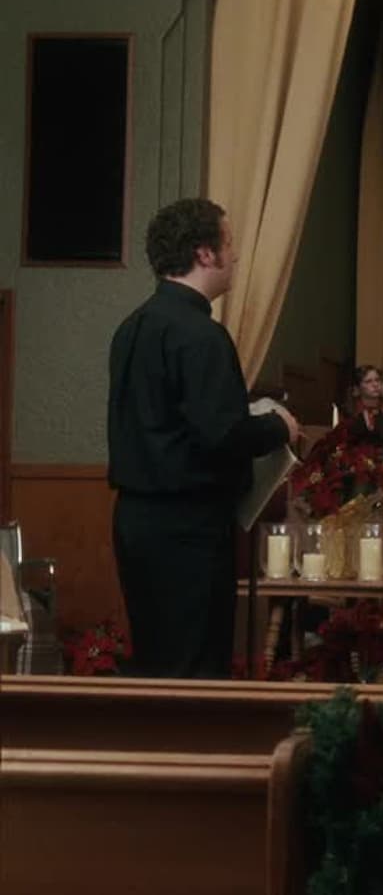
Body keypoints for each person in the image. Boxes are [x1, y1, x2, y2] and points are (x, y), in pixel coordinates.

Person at [108, 198, 300, 677]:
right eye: (228, 244)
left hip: (135, 520)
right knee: (195, 671)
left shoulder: (131, 328)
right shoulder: (201, 335)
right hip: (188, 527)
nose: (235, 255)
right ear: (204, 253)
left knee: (156, 664)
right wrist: (280, 426)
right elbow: (223, 435)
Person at [346, 364, 383, 447]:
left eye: (377, 380)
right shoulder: (351, 413)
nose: (375, 384)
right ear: (357, 388)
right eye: (368, 381)